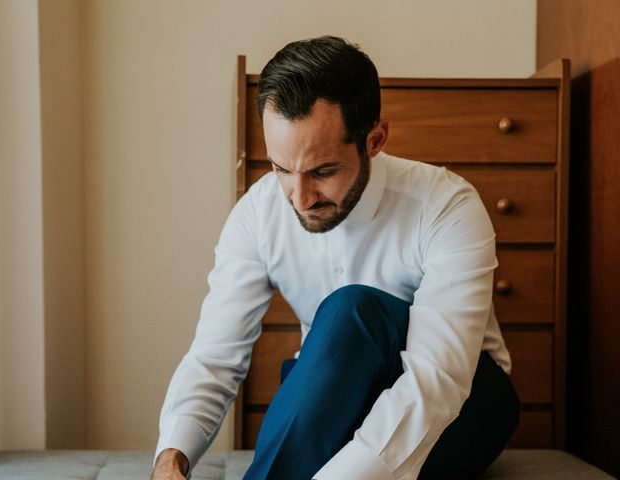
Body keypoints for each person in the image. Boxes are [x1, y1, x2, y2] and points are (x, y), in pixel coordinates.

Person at [151, 36, 519, 480]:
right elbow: (215, 356)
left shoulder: (447, 205)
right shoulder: (258, 212)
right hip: (337, 395)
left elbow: (436, 382)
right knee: (311, 368)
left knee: (352, 310)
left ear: (375, 139)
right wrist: (171, 458)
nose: (300, 199)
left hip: (464, 405)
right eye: (281, 170)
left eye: (322, 172)